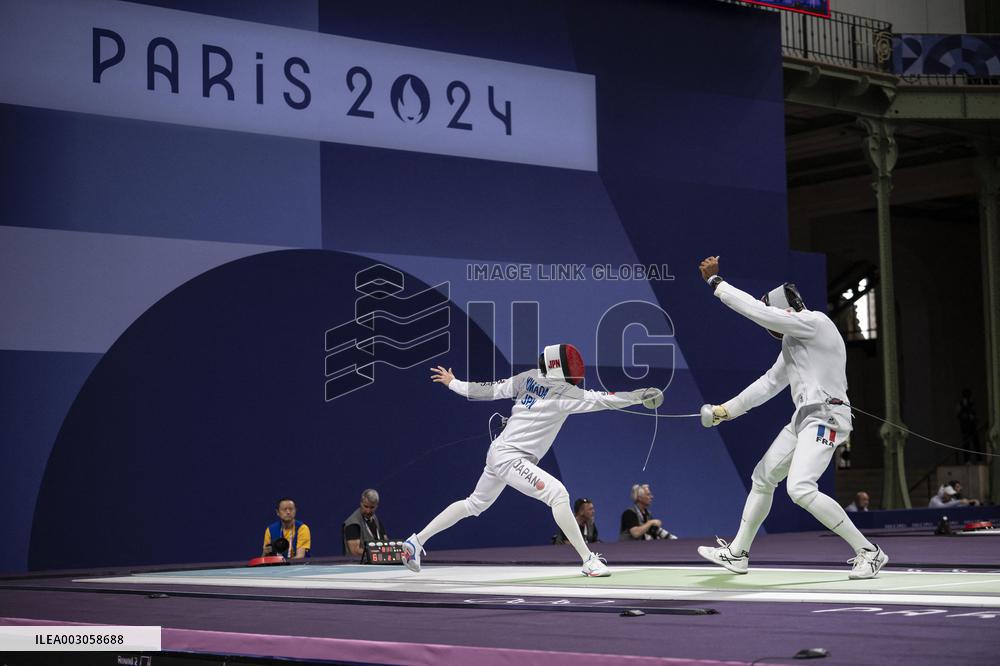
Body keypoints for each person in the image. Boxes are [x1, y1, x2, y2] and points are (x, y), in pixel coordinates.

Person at [695, 256, 888, 580]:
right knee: (763, 477)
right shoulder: (793, 342)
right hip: (804, 418)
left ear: (786, 311)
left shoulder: (815, 323)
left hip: (827, 416)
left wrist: (717, 284)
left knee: (800, 488)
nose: (771, 324)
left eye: (774, 315)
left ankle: (870, 552)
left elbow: (758, 313)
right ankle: (738, 553)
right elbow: (769, 383)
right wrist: (726, 411)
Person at [401, 344, 664, 577]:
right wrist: (639, 395)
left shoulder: (528, 378)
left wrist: (453, 383)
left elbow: (488, 390)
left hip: (499, 451)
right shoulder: (563, 392)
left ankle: (415, 541)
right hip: (510, 457)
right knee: (558, 494)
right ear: (560, 368)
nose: (577, 373)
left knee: (475, 504)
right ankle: (588, 560)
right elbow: (601, 399)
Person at [342, 489, 388, 557]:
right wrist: (377, 553)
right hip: (357, 565)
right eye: (365, 506)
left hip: (375, 562)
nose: (368, 511)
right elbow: (355, 551)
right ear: (360, 503)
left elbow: (385, 541)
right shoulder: (353, 523)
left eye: (372, 507)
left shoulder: (375, 519)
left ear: (377, 506)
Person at [956, 389, 981, 463]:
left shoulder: (972, 403)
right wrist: (967, 416)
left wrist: (974, 418)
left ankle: (979, 459)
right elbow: (959, 415)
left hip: (972, 426)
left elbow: (975, 413)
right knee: (966, 444)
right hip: (965, 427)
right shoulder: (960, 404)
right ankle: (967, 460)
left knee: (976, 443)